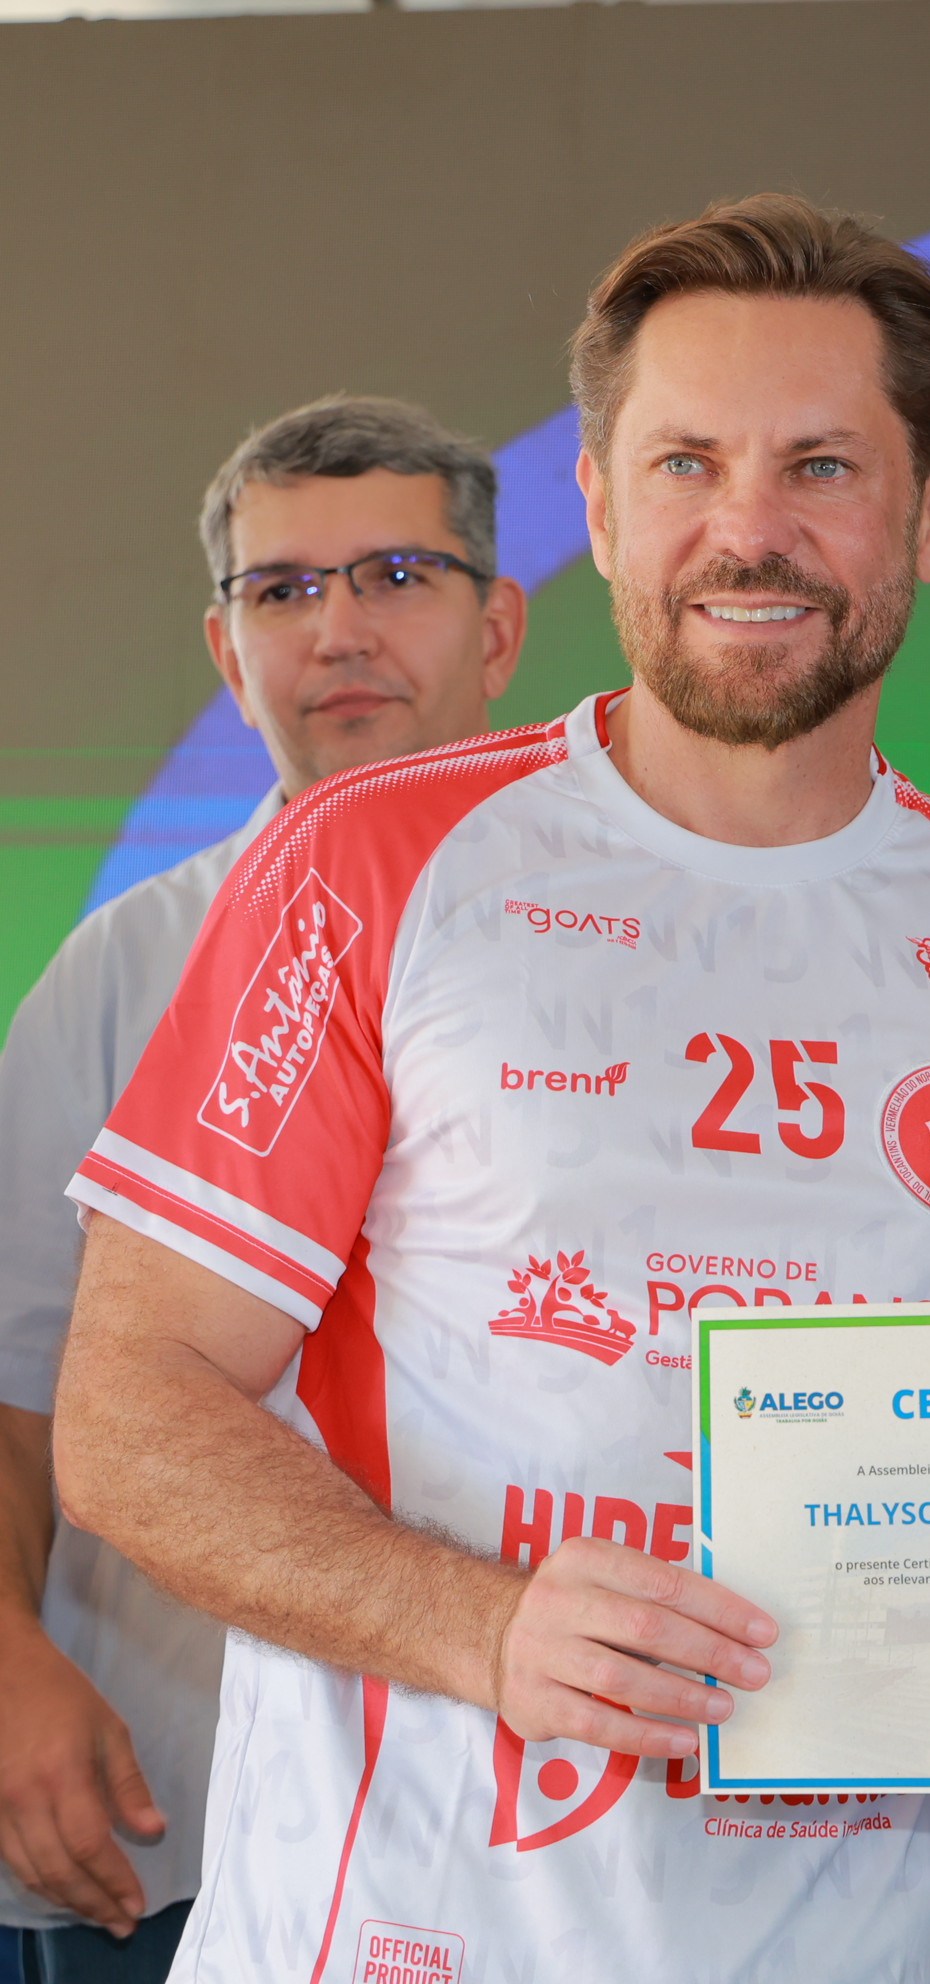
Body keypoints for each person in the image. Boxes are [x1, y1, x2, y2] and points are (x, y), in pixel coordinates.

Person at [49, 194, 930, 1984]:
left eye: (823, 466)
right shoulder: (369, 863)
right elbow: (131, 1409)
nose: (749, 529)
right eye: (685, 464)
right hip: (390, 1943)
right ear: (596, 506)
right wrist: (483, 1629)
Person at [0, 395, 524, 1983]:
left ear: (500, 629)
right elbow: (16, 1389)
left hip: (544, 1825)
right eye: (282, 590)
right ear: (228, 655)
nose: (338, 630)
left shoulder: (632, 945)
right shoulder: (121, 970)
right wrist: (7, 1668)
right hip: (169, 1820)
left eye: (396, 576)